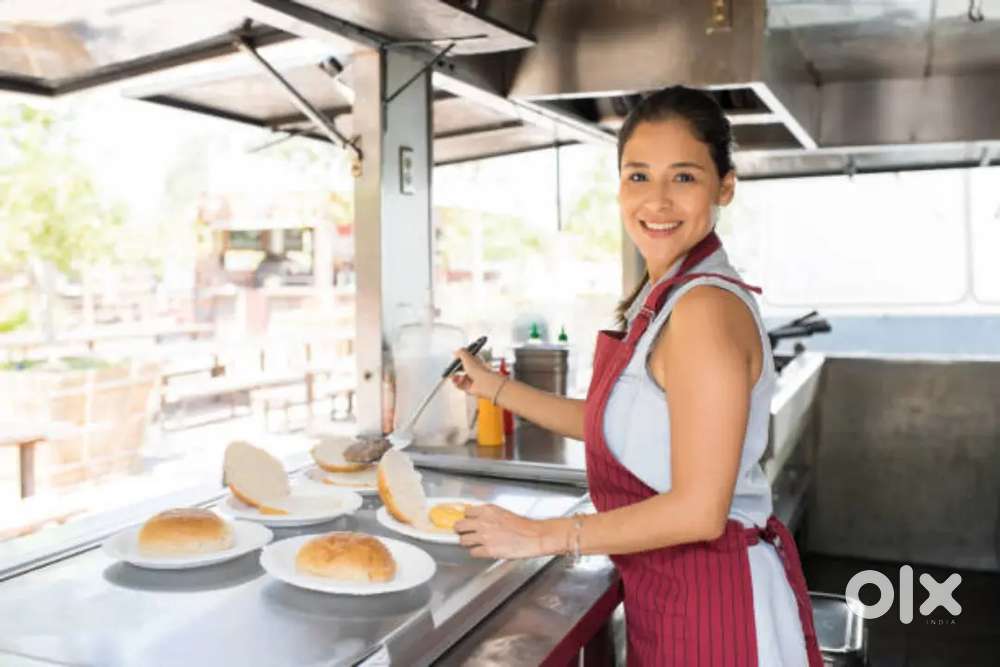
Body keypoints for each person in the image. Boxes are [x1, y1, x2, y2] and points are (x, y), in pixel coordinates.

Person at [450, 86, 823, 666]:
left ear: (724, 186)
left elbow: (699, 511)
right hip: (675, 600)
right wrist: (493, 386)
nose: (657, 201)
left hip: (716, 609)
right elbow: (613, 421)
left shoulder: (702, 308)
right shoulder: (664, 295)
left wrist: (544, 535)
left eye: (684, 177)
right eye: (639, 176)